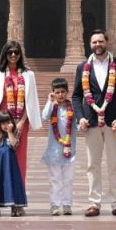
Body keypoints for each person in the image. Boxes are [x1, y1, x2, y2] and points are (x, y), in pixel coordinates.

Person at [73, 29, 116, 217]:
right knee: (93, 164)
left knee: (114, 164)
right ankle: (94, 203)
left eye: (100, 41)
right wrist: (80, 117)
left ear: (107, 42)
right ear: (89, 44)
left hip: (113, 122)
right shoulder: (83, 67)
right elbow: (76, 96)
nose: (97, 45)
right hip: (91, 122)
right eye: (94, 42)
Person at [0, 40, 42, 186]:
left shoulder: (29, 75)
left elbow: (31, 101)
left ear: (20, 54)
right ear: (5, 54)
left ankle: (18, 195)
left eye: (16, 52)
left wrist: (21, 122)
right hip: (2, 121)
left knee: (19, 157)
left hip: (21, 121)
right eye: (10, 52)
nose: (13, 55)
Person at [40, 77, 77, 216]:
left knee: (68, 180)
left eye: (63, 92)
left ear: (67, 92)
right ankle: (55, 204)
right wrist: (50, 101)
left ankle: (67, 204)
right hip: (54, 151)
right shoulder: (52, 107)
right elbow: (44, 116)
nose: (60, 95)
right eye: (57, 92)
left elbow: (77, 126)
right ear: (53, 93)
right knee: (55, 179)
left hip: (69, 150)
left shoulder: (72, 108)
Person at [0, 111, 28, 217]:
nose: (6, 125)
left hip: (10, 164)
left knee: (11, 182)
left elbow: (14, 144)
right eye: (3, 123)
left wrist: (10, 132)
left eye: (8, 122)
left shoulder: (15, 131)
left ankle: (15, 208)